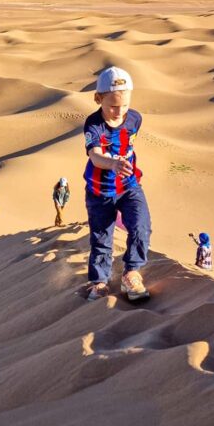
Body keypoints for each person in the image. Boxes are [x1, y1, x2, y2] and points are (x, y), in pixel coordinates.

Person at [83, 66, 151, 302]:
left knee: (141, 226)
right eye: (112, 105)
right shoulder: (93, 124)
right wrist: (112, 164)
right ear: (98, 98)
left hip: (129, 185)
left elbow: (129, 143)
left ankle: (131, 272)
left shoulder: (135, 119)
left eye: (124, 104)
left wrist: (124, 166)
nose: (119, 111)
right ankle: (100, 281)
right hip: (99, 191)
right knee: (102, 239)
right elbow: (95, 155)